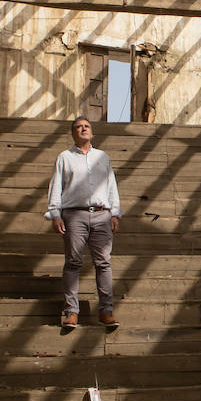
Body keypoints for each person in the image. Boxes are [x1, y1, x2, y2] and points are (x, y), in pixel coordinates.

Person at [45, 117, 121, 330]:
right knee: (73, 262)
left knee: (103, 263)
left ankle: (106, 311)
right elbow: (55, 186)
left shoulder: (103, 157)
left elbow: (111, 185)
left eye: (86, 126)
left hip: (101, 214)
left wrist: (115, 213)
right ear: (73, 133)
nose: (83, 129)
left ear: (92, 133)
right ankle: (71, 312)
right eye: (78, 127)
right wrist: (55, 214)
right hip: (74, 215)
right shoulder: (64, 157)